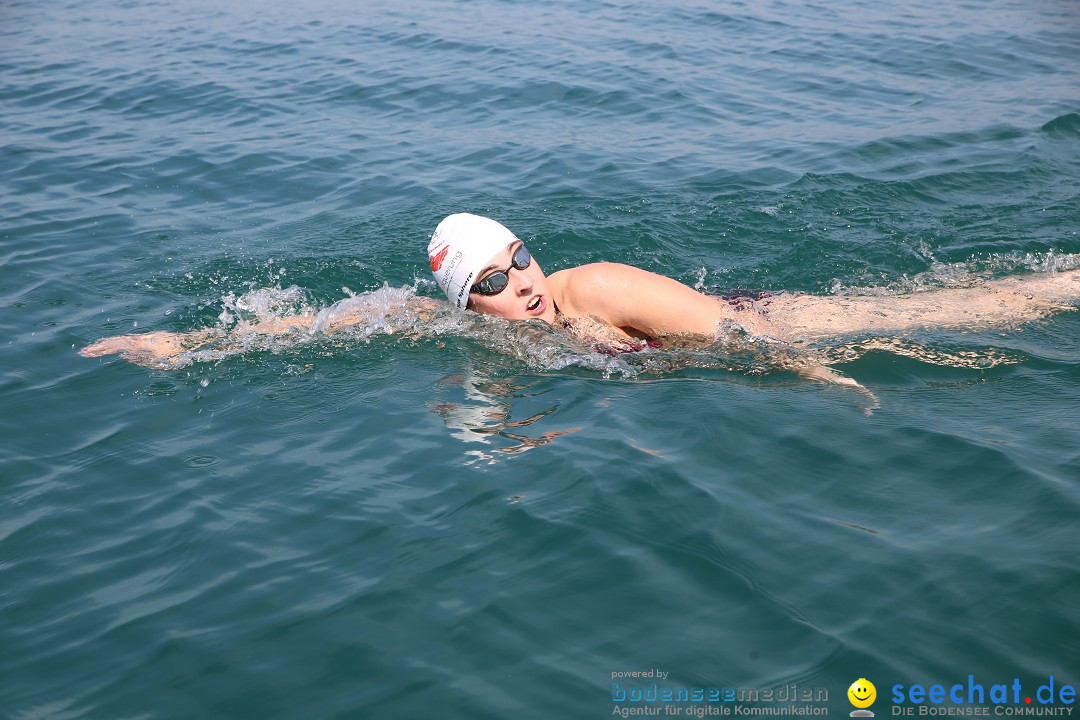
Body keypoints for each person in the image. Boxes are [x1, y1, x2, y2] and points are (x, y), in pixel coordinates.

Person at [80, 213, 1080, 370]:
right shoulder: (455, 328)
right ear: (458, 303)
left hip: (770, 324)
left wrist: (818, 371)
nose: (521, 284)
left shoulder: (590, 286)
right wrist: (185, 344)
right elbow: (315, 325)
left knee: (983, 309)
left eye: (520, 259)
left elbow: (734, 334)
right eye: (492, 282)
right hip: (703, 350)